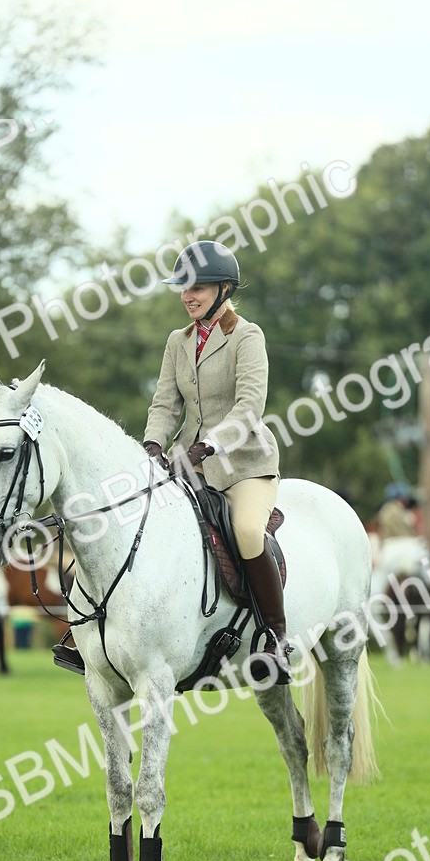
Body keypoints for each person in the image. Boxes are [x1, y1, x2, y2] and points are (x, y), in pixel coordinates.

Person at [144, 240, 290, 681]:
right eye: (182, 287)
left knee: (247, 532)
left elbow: (249, 408)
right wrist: (152, 445)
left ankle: (277, 638)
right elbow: (165, 405)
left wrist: (207, 447)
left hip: (243, 463)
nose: (187, 295)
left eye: (198, 288)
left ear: (224, 288)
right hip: (188, 464)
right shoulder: (177, 341)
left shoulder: (248, 336)